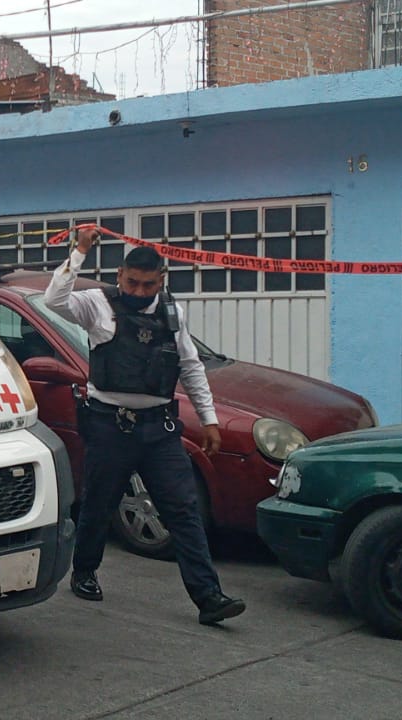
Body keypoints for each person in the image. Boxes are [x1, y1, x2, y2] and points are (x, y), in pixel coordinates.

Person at [44, 226, 245, 625]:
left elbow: (190, 367)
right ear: (119, 276)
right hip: (108, 424)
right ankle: (84, 572)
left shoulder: (172, 313)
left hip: (158, 429)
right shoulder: (97, 304)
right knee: (98, 504)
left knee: (184, 510)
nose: (138, 291)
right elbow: (54, 299)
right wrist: (80, 251)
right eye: (132, 283)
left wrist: (209, 420)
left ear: (161, 281)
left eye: (148, 284)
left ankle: (209, 597)